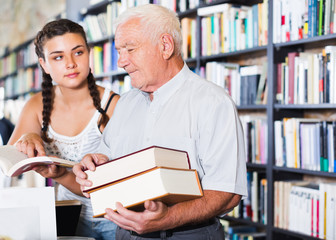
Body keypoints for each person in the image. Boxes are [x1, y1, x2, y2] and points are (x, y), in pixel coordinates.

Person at [73, 4, 247, 240]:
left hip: (187, 234)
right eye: (119, 51)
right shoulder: (125, 104)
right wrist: (95, 164)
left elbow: (227, 192)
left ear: (165, 46)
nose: (121, 62)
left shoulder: (213, 102)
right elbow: (107, 156)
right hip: (125, 232)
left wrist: (167, 219)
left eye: (130, 49)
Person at [7, 19, 119, 239]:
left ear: (88, 54)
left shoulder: (114, 105)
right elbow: (10, 162)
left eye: (77, 53)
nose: (70, 63)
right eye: (58, 57)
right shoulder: (36, 106)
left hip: (116, 217)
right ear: (44, 65)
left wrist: (59, 174)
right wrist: (28, 136)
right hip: (67, 214)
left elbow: (110, 188)